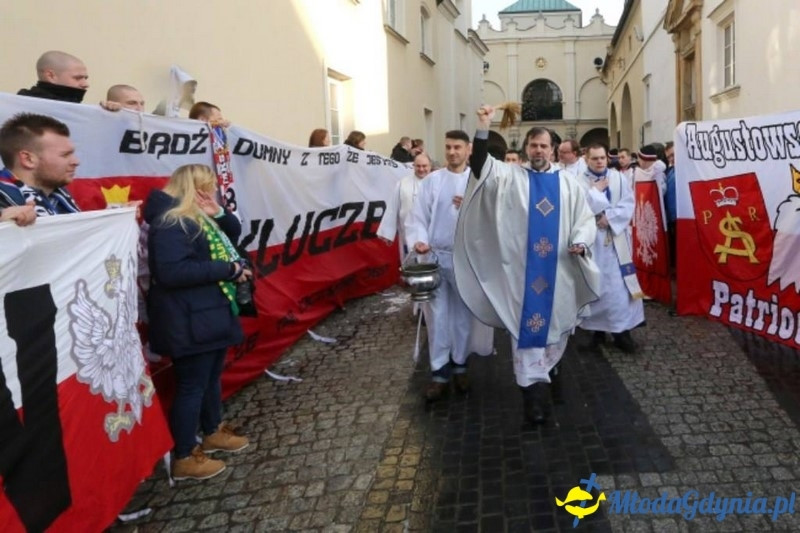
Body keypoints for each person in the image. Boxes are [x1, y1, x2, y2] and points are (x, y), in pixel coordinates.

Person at [454, 105, 600, 425]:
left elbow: (584, 219)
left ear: (552, 150)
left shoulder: (569, 185)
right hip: (521, 274)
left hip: (559, 270)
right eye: (532, 145)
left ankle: (552, 372)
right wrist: (483, 126)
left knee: (557, 328)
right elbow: (479, 165)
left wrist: (581, 241)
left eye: (543, 145)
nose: (537, 150)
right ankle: (532, 398)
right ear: (525, 149)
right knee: (526, 333)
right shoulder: (510, 177)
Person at [144, 164, 250, 481]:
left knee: (210, 376)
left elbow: (232, 233)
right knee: (192, 386)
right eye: (208, 187)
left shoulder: (195, 215)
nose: (213, 191)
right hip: (187, 318)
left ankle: (212, 430)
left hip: (205, 313)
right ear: (194, 187)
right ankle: (185, 454)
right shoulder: (171, 222)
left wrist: (218, 211)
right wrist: (227, 270)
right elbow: (172, 272)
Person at [406, 130, 494, 401]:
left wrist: (471, 206)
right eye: (448, 147)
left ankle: (460, 364)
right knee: (437, 316)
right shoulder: (432, 182)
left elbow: (492, 217)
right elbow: (418, 216)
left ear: (469, 149)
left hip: (465, 259)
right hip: (436, 257)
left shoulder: (477, 181)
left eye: (457, 147)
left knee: (462, 316)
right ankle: (439, 372)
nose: (452, 152)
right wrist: (419, 240)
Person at [575, 144, 644, 354]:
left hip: (615, 241)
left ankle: (621, 332)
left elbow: (628, 203)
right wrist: (596, 209)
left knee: (617, 289)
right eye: (594, 158)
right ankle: (596, 332)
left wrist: (610, 218)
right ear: (586, 159)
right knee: (594, 286)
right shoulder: (578, 181)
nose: (599, 161)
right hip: (592, 241)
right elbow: (575, 207)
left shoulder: (618, 178)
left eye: (602, 158)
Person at [0, 113, 81, 216]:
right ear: (28, 159)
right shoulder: (4, 202)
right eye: (65, 155)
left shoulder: (60, 196)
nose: (76, 162)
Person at [377, 152, 432, 261]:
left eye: (424, 166)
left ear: (430, 166)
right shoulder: (403, 183)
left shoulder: (437, 182)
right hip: (408, 235)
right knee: (411, 267)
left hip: (430, 236)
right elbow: (393, 208)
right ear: (413, 166)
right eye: (418, 166)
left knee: (431, 267)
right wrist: (387, 231)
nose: (421, 169)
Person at [17, 51, 89, 103]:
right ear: (50, 76)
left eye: (85, 78)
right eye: (77, 78)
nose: (86, 84)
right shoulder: (20, 106)